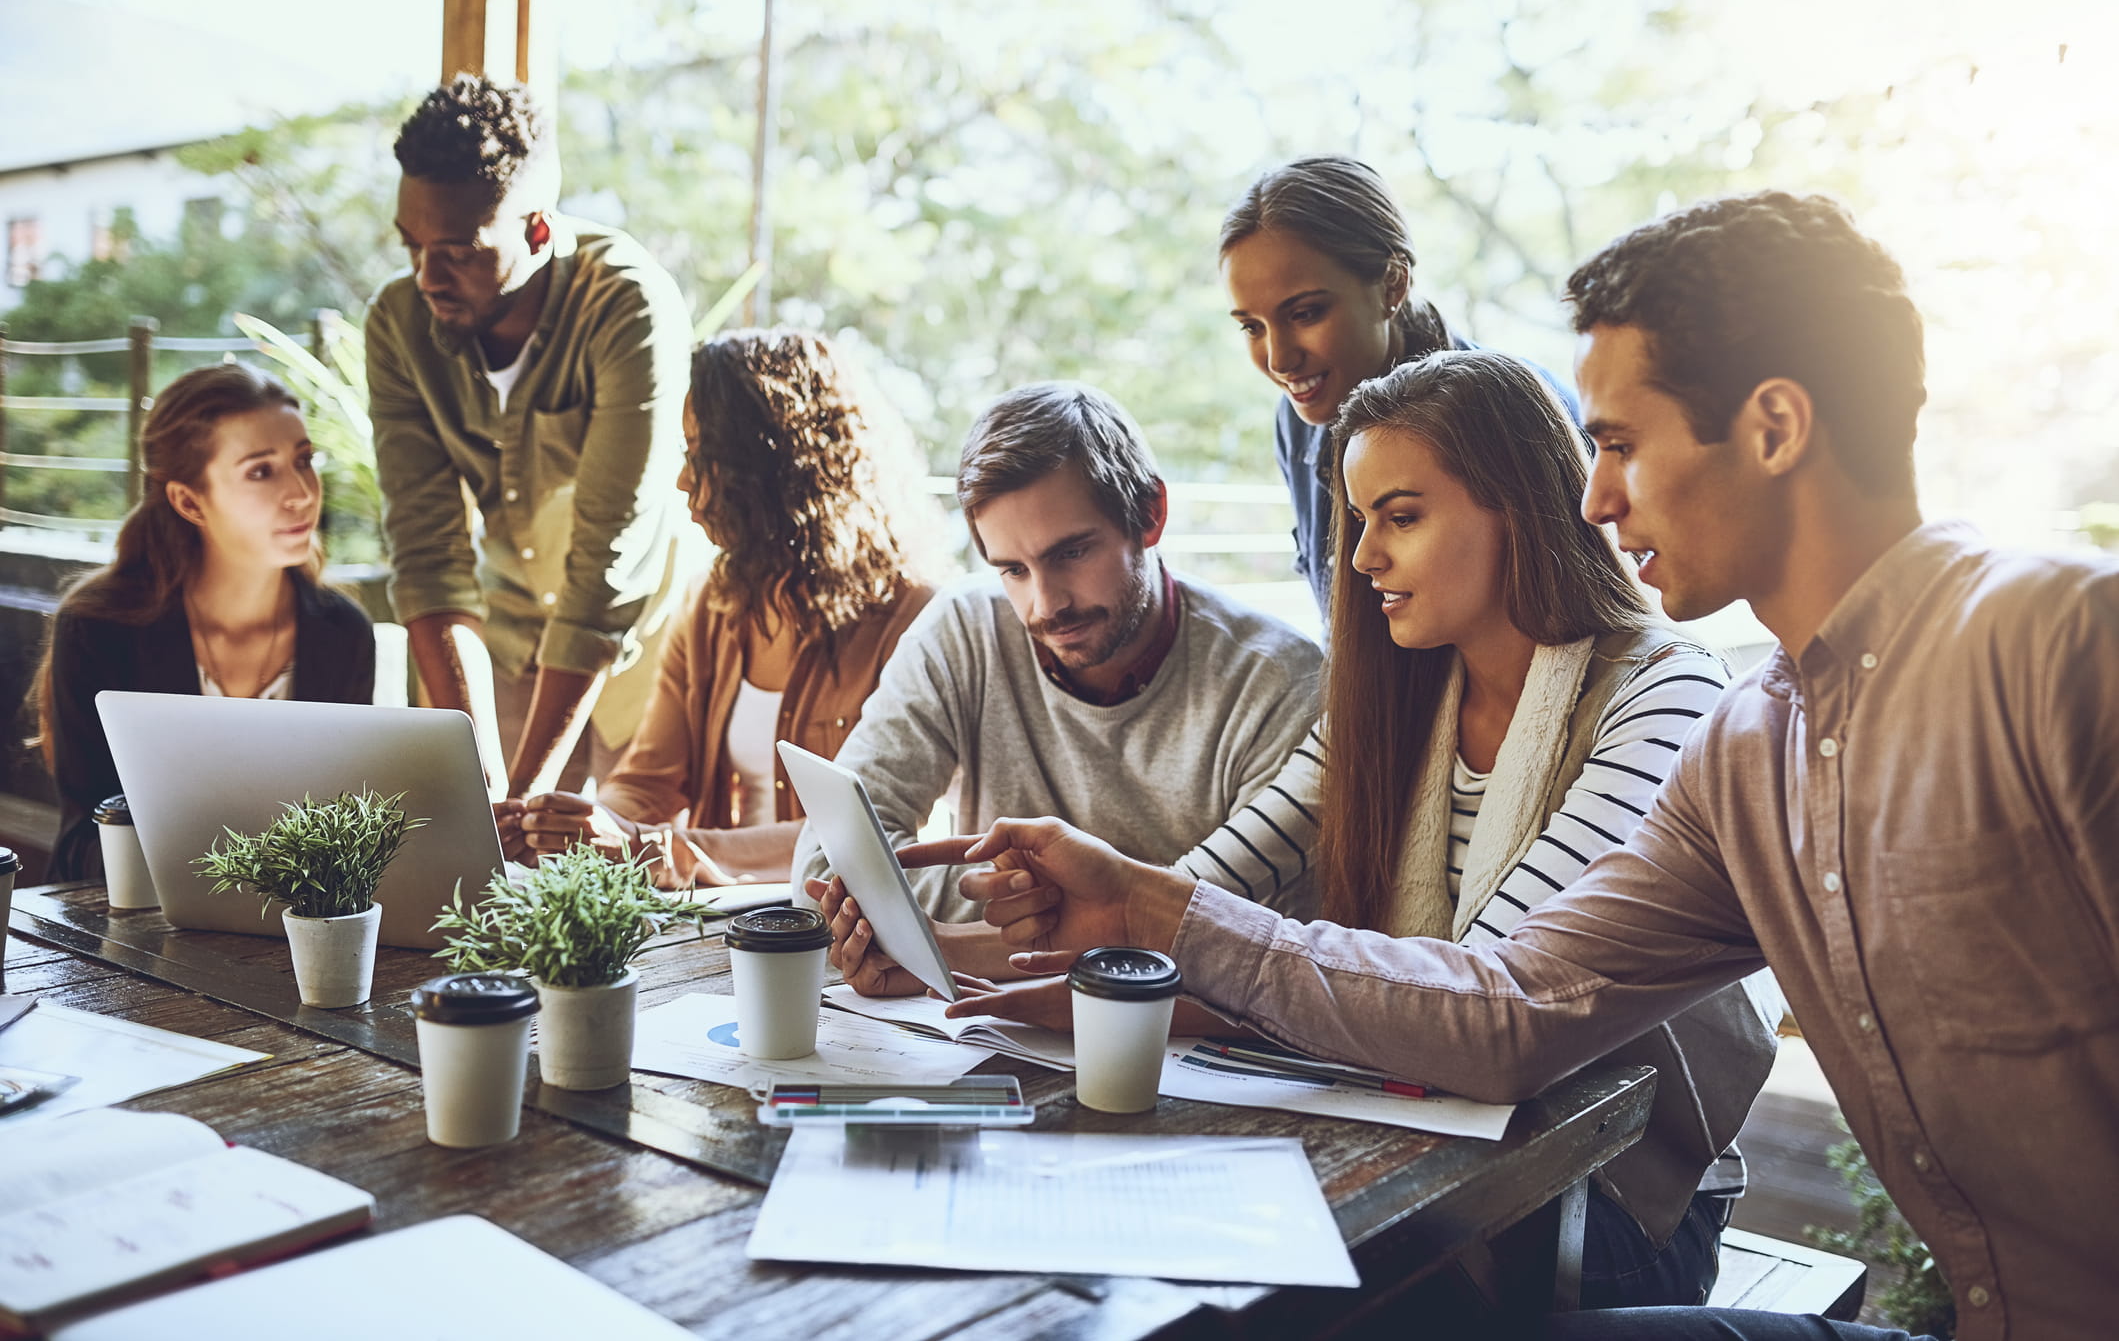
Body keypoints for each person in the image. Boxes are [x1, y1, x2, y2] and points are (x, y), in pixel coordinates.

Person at [930, 193, 2118, 1341]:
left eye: (1615, 442)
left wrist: (1165, 928)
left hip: (1606, 1205)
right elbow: (1508, 1009)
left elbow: (1481, 994)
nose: (1594, 496)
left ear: (1772, 426)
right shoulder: (1753, 748)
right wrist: (1127, 920)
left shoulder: (2057, 643)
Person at [934, 350, 1776, 1309]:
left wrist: (1157, 929)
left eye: (1402, 517)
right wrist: (967, 949)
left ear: (1521, 507)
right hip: (1428, 1145)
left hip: (1602, 1198)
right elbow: (1213, 891)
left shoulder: (1663, 692)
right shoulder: (1394, 702)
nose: (1364, 556)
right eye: (1359, 520)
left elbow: (1485, 1014)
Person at [790, 380, 1321, 980]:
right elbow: (825, 872)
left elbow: (1257, 950)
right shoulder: (964, 630)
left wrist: (947, 936)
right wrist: (1055, 910)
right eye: (1013, 569)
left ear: (1150, 515)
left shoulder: (1278, 684)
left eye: (1071, 553)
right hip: (988, 1036)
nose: (1046, 605)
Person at [509, 330, 938, 884]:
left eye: (702, 455)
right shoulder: (713, 602)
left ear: (773, 465)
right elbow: (648, 782)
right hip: (720, 924)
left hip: (843, 933)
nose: (685, 480)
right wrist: (583, 826)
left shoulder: (910, 618)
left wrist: (651, 849)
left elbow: (866, 833)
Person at [367, 74, 690, 803]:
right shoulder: (397, 322)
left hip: (639, 646)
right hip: (500, 637)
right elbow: (426, 553)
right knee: (481, 866)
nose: (426, 276)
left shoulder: (626, 306)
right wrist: (477, 764)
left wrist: (526, 790)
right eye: (410, 245)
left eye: (456, 251)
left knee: (633, 882)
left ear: (537, 229)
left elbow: (606, 564)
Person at [36, 364, 375, 882]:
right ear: (189, 501)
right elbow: (84, 844)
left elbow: (349, 833)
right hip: (137, 937)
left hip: (295, 936)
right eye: (261, 471)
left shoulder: (342, 632)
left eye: (304, 460)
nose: (303, 492)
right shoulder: (98, 629)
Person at [1221, 154, 1576, 618]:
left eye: (1305, 313)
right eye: (1252, 327)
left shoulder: (1515, 414)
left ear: (1392, 284)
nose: (1278, 359)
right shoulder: (1298, 419)